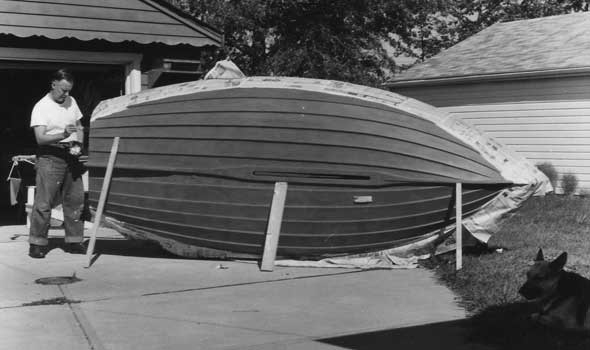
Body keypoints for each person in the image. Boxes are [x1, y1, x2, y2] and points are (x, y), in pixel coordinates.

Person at [28, 68, 86, 258]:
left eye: (69, 90)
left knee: (75, 200)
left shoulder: (72, 101)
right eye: (63, 90)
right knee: (44, 203)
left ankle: (74, 241)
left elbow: (79, 125)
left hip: (72, 155)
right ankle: (37, 243)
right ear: (53, 85)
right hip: (50, 157)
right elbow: (40, 138)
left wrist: (80, 144)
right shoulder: (41, 106)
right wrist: (63, 134)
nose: (67, 94)